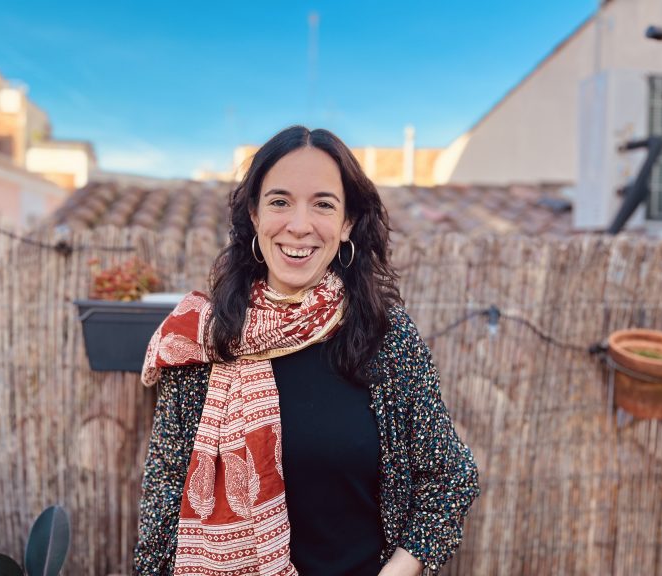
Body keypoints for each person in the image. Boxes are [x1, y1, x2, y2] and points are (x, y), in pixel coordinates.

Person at [134, 126, 479, 576]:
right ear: (254, 215)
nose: (299, 225)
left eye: (323, 204)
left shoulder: (385, 336)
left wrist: (396, 572)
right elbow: (162, 503)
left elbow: (450, 477)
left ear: (347, 222)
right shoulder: (204, 339)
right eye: (280, 201)